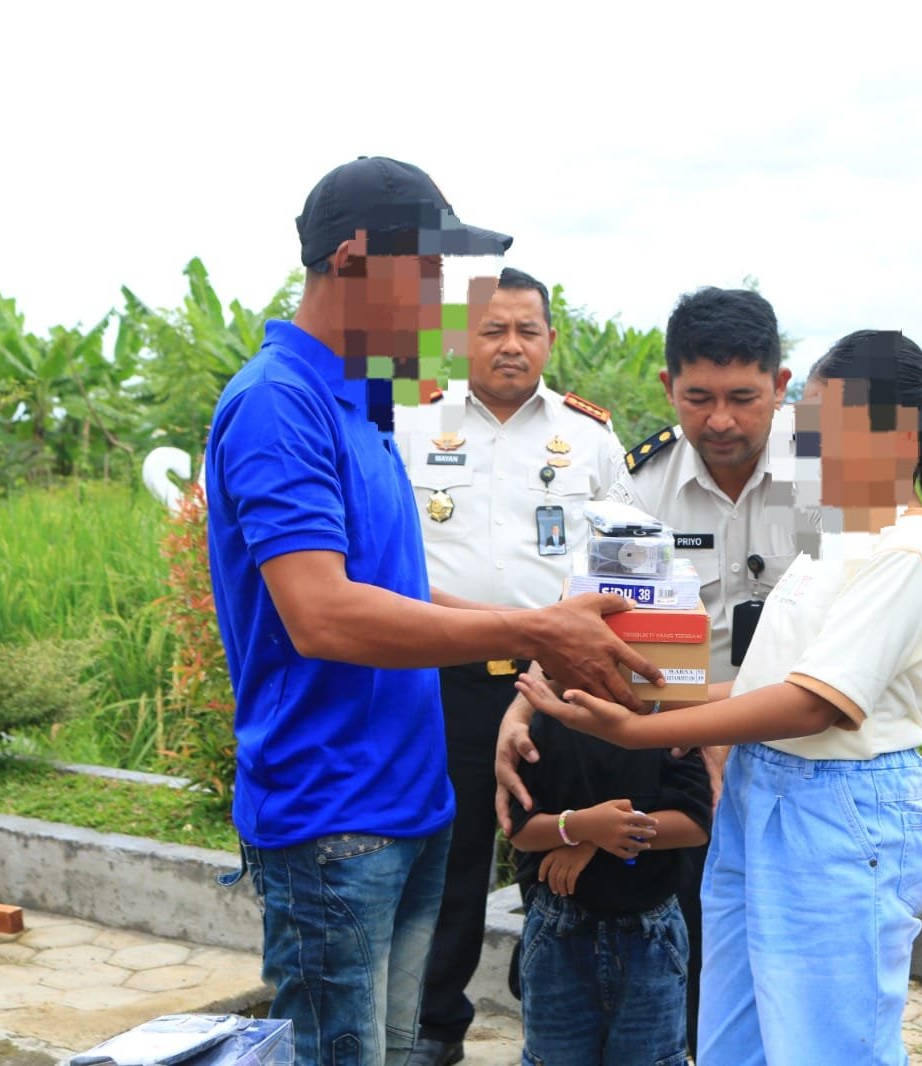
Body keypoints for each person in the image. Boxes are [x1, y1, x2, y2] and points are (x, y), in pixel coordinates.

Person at [204, 156, 660, 1066]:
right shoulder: (278, 404)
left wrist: (539, 644)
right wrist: (528, 628)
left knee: (398, 1051)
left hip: (408, 802)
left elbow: (399, 593)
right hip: (332, 816)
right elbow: (323, 616)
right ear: (356, 257)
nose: (443, 304)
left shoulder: (363, 409)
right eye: (428, 273)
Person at [517, 329, 922, 1064]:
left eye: (825, 425)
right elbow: (764, 683)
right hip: (761, 793)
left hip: (839, 812)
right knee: (739, 1033)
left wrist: (636, 733)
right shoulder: (837, 540)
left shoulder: (909, 550)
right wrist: (648, 700)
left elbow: (815, 705)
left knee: (828, 1041)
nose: (807, 443)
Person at [495, 285, 797, 1051]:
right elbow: (584, 607)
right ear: (668, 387)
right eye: (697, 398)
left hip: (797, 738)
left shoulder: (826, 482)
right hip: (671, 744)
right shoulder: (643, 482)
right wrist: (522, 707)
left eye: (742, 398)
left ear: (781, 387)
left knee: (785, 953)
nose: (719, 421)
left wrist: (725, 725)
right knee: (679, 937)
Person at [396, 266, 629, 1066]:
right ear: (461, 339)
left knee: (556, 849)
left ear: (550, 340)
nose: (510, 346)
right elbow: (391, 564)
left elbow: (622, 565)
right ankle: (435, 1027)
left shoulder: (590, 438)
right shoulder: (412, 426)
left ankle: (558, 1016)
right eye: (492, 330)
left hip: (556, 681)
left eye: (527, 330)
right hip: (446, 678)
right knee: (452, 853)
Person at [507, 700, 712, 1064]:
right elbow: (520, 830)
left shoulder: (669, 723)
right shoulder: (543, 725)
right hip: (558, 931)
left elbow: (694, 823)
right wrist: (583, 827)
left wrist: (595, 840)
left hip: (651, 934)